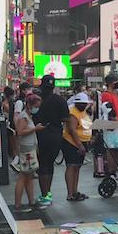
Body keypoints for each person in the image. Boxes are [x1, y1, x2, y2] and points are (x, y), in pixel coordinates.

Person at [34, 75, 69, 208]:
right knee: (50, 164)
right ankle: (47, 193)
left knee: (42, 165)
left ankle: (45, 195)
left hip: (40, 135)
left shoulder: (36, 100)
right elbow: (66, 119)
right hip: (55, 135)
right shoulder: (60, 100)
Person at [13, 94, 44, 212]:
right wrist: (35, 129)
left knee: (29, 175)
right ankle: (18, 204)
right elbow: (20, 132)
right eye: (35, 106)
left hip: (30, 148)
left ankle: (31, 201)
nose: (37, 108)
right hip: (26, 149)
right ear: (29, 105)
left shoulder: (28, 116)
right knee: (23, 176)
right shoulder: (23, 117)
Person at [62, 92, 92, 201]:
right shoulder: (73, 112)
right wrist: (79, 145)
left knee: (77, 167)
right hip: (71, 143)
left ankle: (75, 191)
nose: (83, 106)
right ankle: (70, 193)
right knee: (71, 166)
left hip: (82, 142)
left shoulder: (83, 111)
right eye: (81, 104)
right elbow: (72, 129)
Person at [10, 82, 32, 172]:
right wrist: (18, 129)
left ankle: (22, 166)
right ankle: (15, 163)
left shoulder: (24, 101)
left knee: (21, 149)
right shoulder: (19, 102)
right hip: (20, 129)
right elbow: (16, 116)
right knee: (20, 148)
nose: (30, 91)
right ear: (23, 90)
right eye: (28, 89)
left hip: (22, 128)